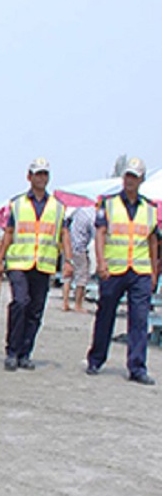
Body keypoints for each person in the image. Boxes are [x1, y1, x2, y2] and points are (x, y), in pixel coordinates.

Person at [85, 157, 160, 385]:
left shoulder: (149, 209)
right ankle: (96, 359)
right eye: (127, 176)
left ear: (141, 180)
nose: (130, 181)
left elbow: (153, 241)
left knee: (139, 319)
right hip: (114, 269)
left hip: (139, 270)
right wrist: (101, 262)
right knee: (105, 314)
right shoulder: (108, 204)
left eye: (134, 177)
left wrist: (154, 271)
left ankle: (137, 367)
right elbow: (100, 234)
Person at [0, 158, 71, 371]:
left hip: (43, 264)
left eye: (45, 174)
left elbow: (64, 234)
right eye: (37, 174)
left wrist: (68, 261)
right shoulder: (17, 204)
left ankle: (25, 353)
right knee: (20, 302)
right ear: (29, 177)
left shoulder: (58, 207)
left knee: (36, 310)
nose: (41, 178)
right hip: (19, 262)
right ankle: (12, 351)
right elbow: (9, 233)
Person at [61, 205, 96, 312]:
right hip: (80, 248)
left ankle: (65, 303)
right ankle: (78, 305)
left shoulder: (77, 211)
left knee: (67, 275)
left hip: (68, 246)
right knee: (82, 276)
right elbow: (95, 234)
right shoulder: (92, 215)